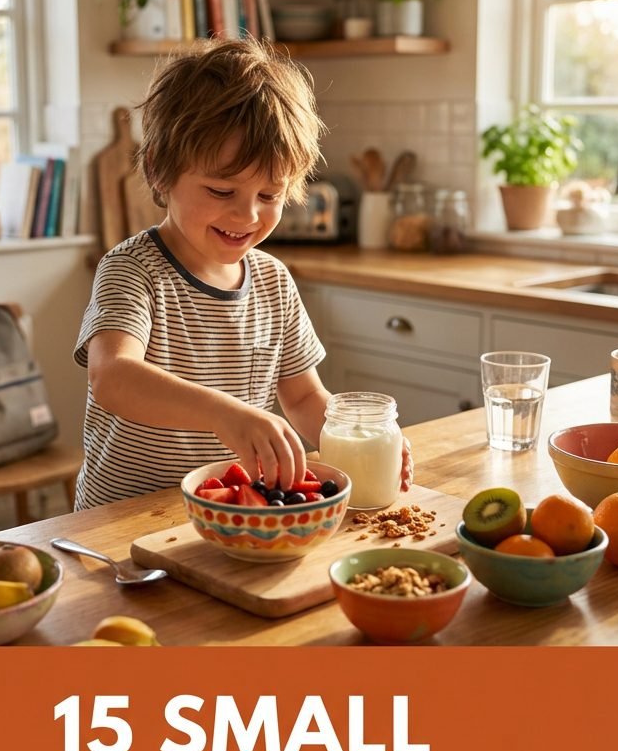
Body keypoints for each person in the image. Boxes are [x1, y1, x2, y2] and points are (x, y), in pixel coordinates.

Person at [74, 37, 412, 508]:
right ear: (158, 171)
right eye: (221, 191)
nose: (247, 215)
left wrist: (363, 438)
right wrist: (222, 413)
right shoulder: (132, 270)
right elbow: (112, 377)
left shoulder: (273, 281)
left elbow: (303, 398)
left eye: (269, 196)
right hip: (123, 518)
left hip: (230, 514)